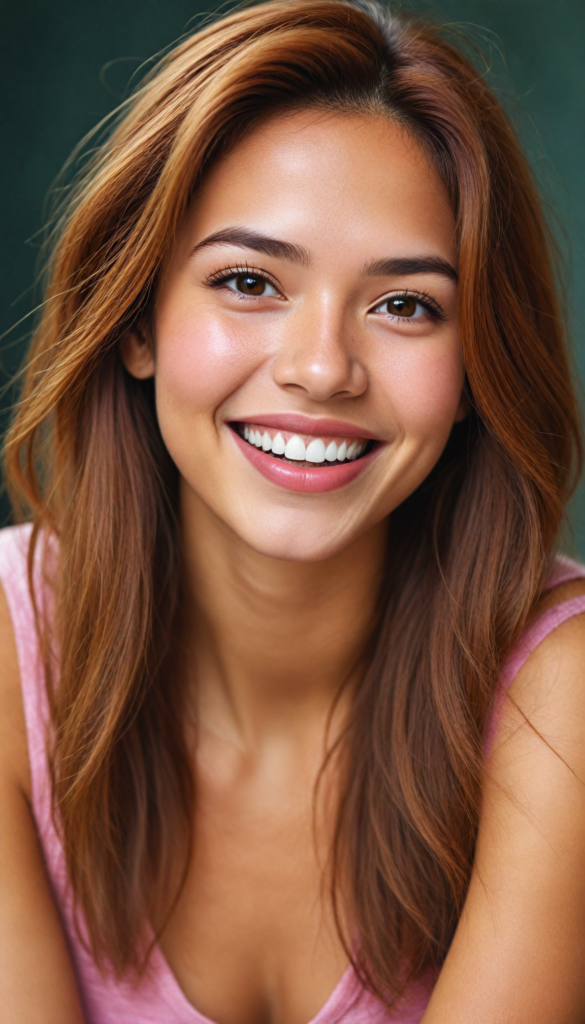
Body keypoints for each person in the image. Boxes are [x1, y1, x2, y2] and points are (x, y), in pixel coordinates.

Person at [1, 1, 585, 1021]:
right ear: (137, 321)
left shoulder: (562, 699)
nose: (321, 368)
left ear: (478, 364)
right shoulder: (11, 658)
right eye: (248, 281)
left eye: (404, 304)